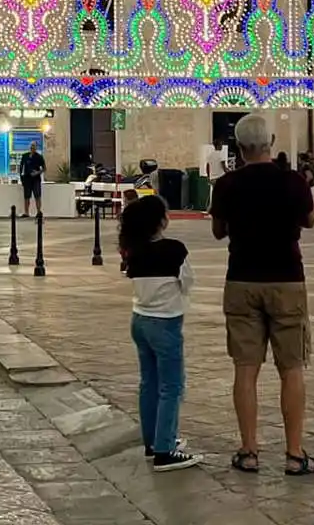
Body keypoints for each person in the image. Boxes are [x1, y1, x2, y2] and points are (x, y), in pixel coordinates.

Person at [210, 114, 314, 477]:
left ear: (239, 148)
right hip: (287, 279)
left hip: (242, 278)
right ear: (271, 142)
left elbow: (217, 232)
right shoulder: (292, 182)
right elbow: (310, 221)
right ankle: (294, 453)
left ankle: (249, 450)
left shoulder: (226, 184)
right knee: (291, 368)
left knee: (245, 369)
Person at [121, 193, 200, 471]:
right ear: (161, 222)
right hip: (165, 323)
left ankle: (152, 442)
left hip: (140, 319)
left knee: (149, 384)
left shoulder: (134, 251)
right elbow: (188, 282)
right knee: (171, 386)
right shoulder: (174, 250)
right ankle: (165, 449)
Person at [18, 142, 47, 217]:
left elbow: (44, 169)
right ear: (29, 147)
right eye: (31, 146)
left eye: (34, 146)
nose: (32, 147)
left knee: (37, 196)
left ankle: (38, 212)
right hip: (27, 179)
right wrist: (22, 178)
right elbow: (21, 168)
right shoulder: (25, 156)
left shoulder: (39, 157)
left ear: (36, 147)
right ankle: (26, 213)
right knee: (26, 197)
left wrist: (37, 172)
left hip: (36, 179)